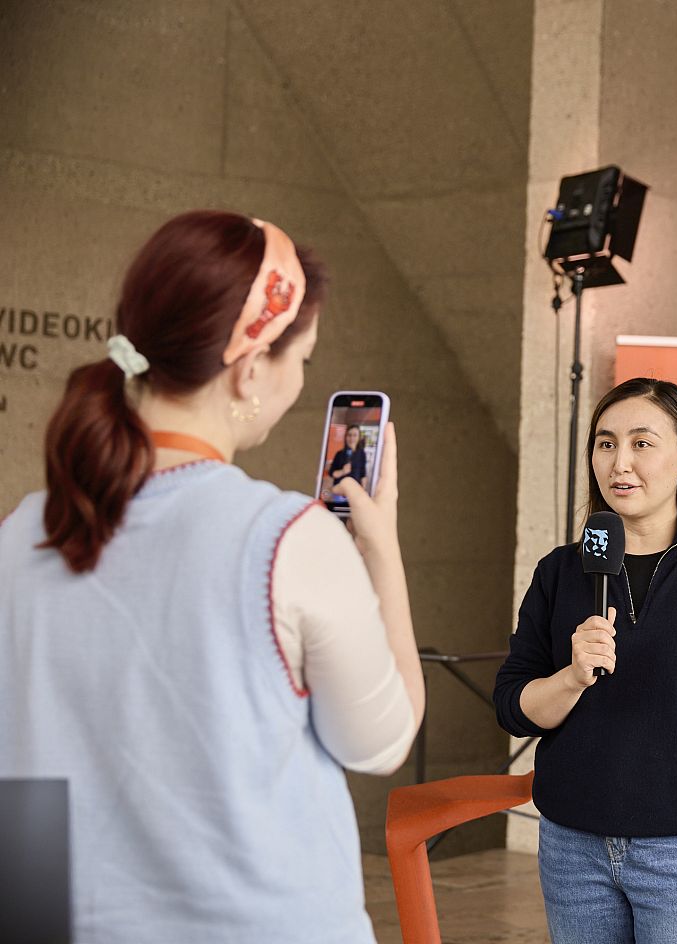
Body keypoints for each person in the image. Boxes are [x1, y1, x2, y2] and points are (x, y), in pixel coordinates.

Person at [0, 210, 422, 942]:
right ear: (250, 368)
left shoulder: (21, 533)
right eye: (302, 359)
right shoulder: (289, 537)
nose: (299, 381)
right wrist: (381, 548)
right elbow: (380, 743)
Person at [494, 377, 677, 944]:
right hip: (572, 848)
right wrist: (571, 678)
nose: (620, 463)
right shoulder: (560, 572)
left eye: (641, 443)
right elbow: (513, 707)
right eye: (606, 444)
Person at [330, 424, 368, 490]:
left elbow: (363, 474)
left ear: (359, 437)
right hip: (339, 490)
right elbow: (332, 473)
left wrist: (363, 489)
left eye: (355, 435)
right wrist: (342, 471)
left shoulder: (362, 454)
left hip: (354, 490)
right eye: (349, 435)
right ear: (346, 437)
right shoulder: (339, 454)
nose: (351, 438)